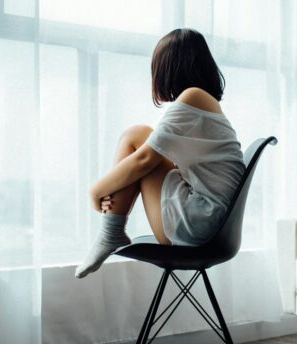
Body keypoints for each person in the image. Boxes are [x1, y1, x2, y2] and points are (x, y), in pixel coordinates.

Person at [75, 28, 246, 278]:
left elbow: (145, 160)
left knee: (136, 138)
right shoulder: (204, 102)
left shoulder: (193, 97)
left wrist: (96, 190)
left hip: (200, 225)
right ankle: (111, 232)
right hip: (211, 224)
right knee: (139, 136)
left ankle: (110, 232)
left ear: (168, 68)